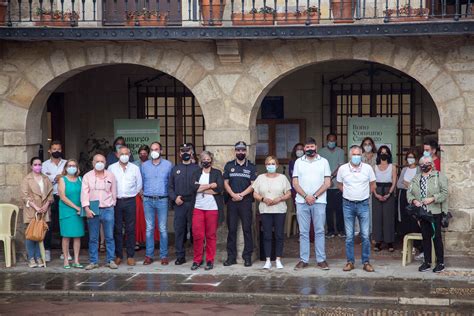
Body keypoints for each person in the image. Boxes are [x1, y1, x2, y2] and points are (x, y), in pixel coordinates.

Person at [292, 137, 331, 271]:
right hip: (302, 202)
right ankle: (304, 260)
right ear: (304, 149)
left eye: (312, 147)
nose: (309, 149)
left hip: (319, 201)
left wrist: (313, 196)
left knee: (319, 231)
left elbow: (327, 183)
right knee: (303, 232)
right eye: (307, 147)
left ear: (316, 147)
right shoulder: (298, 162)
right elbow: (295, 183)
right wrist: (305, 196)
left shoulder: (324, 162)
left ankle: (321, 260)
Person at [336, 145, 376, 273]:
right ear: (350, 156)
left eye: (358, 154)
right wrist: (349, 193)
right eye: (354, 154)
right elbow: (339, 184)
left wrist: (364, 195)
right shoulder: (342, 169)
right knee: (349, 236)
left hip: (363, 204)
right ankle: (350, 262)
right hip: (347, 204)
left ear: (362, 155)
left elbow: (373, 184)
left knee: (365, 235)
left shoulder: (368, 168)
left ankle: (366, 262)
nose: (356, 157)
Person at [407, 156, 448, 273]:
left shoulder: (439, 176)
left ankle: (440, 262)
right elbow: (409, 193)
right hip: (422, 213)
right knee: (425, 237)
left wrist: (432, 199)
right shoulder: (416, 178)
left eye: (428, 163)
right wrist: (414, 200)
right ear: (420, 165)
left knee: (436, 237)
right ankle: (427, 262)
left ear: (432, 164)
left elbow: (444, 193)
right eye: (423, 163)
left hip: (435, 212)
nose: (425, 165)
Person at [252, 156, 291, 270]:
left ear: (277, 165)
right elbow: (255, 193)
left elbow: (289, 193)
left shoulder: (283, 178)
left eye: (273, 164)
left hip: (279, 210)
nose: (271, 166)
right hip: (265, 210)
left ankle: (278, 259)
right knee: (267, 235)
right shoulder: (260, 178)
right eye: (268, 164)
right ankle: (268, 260)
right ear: (265, 165)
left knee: (279, 235)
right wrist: (263, 199)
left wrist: (280, 199)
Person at [223, 141, 257, 267]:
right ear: (235, 151)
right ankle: (231, 257)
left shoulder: (251, 166)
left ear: (246, 151)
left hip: (246, 201)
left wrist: (241, 195)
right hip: (232, 201)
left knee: (247, 229)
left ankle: (247, 257)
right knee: (231, 230)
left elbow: (254, 184)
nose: (240, 152)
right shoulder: (229, 165)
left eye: (243, 150)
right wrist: (233, 195)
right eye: (238, 150)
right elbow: (225, 182)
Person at [81, 154, 118, 270]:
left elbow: (114, 191)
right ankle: (93, 261)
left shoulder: (110, 175)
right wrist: (86, 208)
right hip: (93, 209)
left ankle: (111, 260)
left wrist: (112, 204)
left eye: (102, 161)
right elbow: (84, 193)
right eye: (97, 161)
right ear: (93, 162)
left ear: (105, 162)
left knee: (109, 236)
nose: (99, 163)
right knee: (93, 237)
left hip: (108, 209)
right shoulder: (87, 176)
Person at [190, 151, 225, 271]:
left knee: (211, 235)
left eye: (208, 159)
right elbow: (193, 188)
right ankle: (197, 260)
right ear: (200, 160)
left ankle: (210, 260)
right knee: (198, 235)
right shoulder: (196, 173)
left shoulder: (217, 173)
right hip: (198, 208)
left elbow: (220, 189)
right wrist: (210, 185)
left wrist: (201, 188)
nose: (206, 161)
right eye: (204, 159)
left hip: (212, 208)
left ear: (211, 160)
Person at [108, 146, 142, 266]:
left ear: (129, 155)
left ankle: (131, 255)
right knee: (117, 229)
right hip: (116, 201)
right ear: (117, 155)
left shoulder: (135, 168)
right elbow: (109, 185)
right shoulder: (111, 168)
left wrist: (130, 194)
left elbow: (139, 185)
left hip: (130, 201)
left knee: (130, 229)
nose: (124, 155)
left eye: (126, 153)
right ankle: (118, 255)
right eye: (121, 153)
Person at [141, 141, 173, 265]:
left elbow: (170, 182)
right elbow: (141, 182)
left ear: (161, 151)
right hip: (148, 199)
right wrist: (142, 194)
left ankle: (163, 256)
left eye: (157, 149)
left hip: (162, 199)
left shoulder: (168, 165)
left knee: (163, 228)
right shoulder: (144, 166)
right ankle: (149, 255)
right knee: (149, 228)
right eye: (152, 149)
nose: (154, 151)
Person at [168, 143, 200, 265]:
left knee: (195, 231)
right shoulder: (175, 169)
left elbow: (201, 186)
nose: (186, 153)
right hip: (180, 204)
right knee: (180, 230)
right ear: (180, 154)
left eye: (188, 151)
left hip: (194, 203)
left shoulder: (197, 169)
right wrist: (175, 198)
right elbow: (170, 187)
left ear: (192, 153)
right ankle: (180, 256)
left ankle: (197, 256)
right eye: (183, 151)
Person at [21, 157, 54, 268]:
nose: (37, 166)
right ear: (31, 166)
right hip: (32, 210)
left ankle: (39, 256)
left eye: (39, 164)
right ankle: (31, 258)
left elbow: (50, 195)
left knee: (40, 234)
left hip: (43, 210)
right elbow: (24, 196)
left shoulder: (45, 178)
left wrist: (46, 205)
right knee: (31, 235)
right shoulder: (27, 179)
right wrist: (35, 207)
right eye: (35, 164)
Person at [41, 140, 67, 262]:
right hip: (50, 198)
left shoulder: (67, 164)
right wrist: (56, 178)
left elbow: (71, 177)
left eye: (59, 149)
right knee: (49, 224)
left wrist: (60, 178)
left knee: (63, 224)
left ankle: (64, 251)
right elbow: (43, 181)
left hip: (63, 197)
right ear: (49, 150)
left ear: (61, 150)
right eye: (54, 149)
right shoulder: (44, 165)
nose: (56, 151)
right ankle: (47, 250)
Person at [57, 159, 85, 269]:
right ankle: (66, 260)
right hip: (67, 211)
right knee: (66, 236)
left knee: (77, 236)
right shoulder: (62, 179)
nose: (72, 167)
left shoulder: (80, 179)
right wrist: (76, 207)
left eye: (74, 165)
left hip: (79, 211)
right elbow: (63, 197)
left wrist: (83, 207)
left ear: (77, 168)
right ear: (65, 168)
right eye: (69, 165)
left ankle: (76, 260)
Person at [318, 133, 345, 238]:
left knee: (339, 209)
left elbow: (341, 166)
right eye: (330, 140)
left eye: (333, 140)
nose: (331, 142)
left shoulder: (340, 152)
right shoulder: (321, 152)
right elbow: (320, 168)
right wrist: (327, 180)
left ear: (336, 141)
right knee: (328, 209)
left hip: (338, 184)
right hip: (325, 186)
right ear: (326, 140)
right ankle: (330, 231)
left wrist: (331, 178)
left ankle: (341, 230)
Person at [372, 145, 397, 252]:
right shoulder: (374, 167)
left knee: (388, 217)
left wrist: (389, 193)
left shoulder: (393, 167)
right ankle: (378, 241)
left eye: (386, 152)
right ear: (378, 154)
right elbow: (372, 182)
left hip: (388, 191)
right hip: (377, 190)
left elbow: (394, 181)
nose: (383, 154)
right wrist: (375, 194)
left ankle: (390, 241)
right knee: (377, 217)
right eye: (382, 152)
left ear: (389, 155)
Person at [396, 151, 420, 239]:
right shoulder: (404, 169)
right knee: (404, 218)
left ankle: (416, 245)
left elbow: (418, 185)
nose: (410, 159)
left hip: (415, 197)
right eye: (409, 157)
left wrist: (407, 184)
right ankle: (407, 243)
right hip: (403, 196)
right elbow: (399, 184)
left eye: (412, 157)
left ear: (416, 158)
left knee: (414, 219)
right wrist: (410, 185)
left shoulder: (419, 169)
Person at [133, 144, 151, 250]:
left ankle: (147, 240)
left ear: (148, 154)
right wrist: (140, 191)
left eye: (144, 153)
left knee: (148, 219)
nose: (142, 155)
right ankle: (136, 241)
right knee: (137, 219)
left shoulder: (151, 164)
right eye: (140, 153)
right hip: (137, 194)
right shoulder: (134, 164)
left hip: (148, 194)